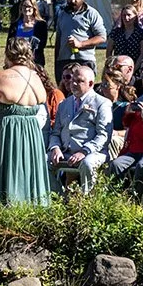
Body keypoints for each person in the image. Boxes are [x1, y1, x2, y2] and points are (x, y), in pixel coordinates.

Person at [0, 36, 51, 206]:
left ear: (7, 54)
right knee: (27, 174)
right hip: (31, 135)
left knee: (1, 177)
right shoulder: (37, 78)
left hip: (3, 135)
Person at [46, 62, 113, 193]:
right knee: (43, 160)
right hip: (65, 151)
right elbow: (55, 133)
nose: (74, 84)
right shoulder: (64, 103)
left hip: (93, 152)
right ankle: (57, 197)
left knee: (88, 163)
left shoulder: (102, 103)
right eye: (72, 80)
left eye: (80, 81)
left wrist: (84, 151)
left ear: (91, 84)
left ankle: (87, 201)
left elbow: (104, 135)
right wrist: (55, 148)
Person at [53, 0, 106, 72]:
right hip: (64, 61)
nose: (72, 1)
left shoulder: (91, 14)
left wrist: (81, 44)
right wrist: (57, 62)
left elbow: (102, 37)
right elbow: (58, 41)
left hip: (84, 60)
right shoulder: (62, 14)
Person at [8, 0, 49, 67]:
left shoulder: (41, 25)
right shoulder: (14, 24)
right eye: (24, 6)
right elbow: (9, 44)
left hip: (35, 61)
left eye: (29, 6)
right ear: (21, 8)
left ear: (34, 8)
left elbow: (42, 44)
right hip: (16, 62)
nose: (26, 9)